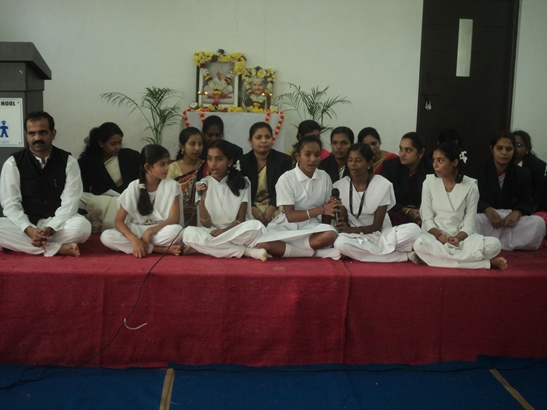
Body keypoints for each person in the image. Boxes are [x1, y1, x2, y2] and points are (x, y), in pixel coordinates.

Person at [0, 111, 91, 256]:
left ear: (53, 134)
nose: (37, 138)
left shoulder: (68, 161)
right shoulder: (13, 163)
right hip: (27, 222)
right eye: (32, 133)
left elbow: (71, 202)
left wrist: (51, 227)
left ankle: (24, 244)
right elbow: (11, 204)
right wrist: (28, 229)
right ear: (26, 135)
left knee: (83, 227)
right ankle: (58, 249)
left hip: (57, 222)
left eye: (42, 132)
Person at [413, 142, 507, 269]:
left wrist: (458, 238)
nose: (435, 165)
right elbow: (427, 219)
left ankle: (436, 259)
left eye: (440, 161)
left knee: (495, 245)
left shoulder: (471, 186)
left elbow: (469, 224)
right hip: (434, 237)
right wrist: (438, 235)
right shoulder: (428, 182)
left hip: (461, 240)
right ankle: (485, 263)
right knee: (419, 244)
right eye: (434, 160)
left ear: (455, 162)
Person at [332, 143, 421, 262]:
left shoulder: (382, 184)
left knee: (414, 230)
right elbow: (344, 222)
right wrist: (343, 225)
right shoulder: (339, 185)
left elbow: (377, 227)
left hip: (382, 234)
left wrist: (351, 230)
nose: (353, 164)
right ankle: (402, 256)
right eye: (350, 160)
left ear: (369, 163)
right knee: (340, 243)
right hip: (354, 237)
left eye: (358, 160)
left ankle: (367, 253)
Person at [256, 135, 341, 259]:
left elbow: (327, 212)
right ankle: (314, 253)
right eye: (307, 154)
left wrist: (325, 227)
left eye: (317, 155)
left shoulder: (324, 177)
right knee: (262, 243)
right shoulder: (286, 178)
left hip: (312, 226)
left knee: (330, 234)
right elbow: (290, 216)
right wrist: (321, 209)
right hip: (286, 226)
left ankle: (291, 249)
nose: (312, 159)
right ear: (297, 156)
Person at [182, 140, 267, 261]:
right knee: (187, 233)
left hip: (235, 231)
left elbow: (240, 219)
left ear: (229, 161)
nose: (213, 164)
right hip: (212, 231)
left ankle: (206, 247)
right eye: (209, 159)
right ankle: (246, 251)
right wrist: (201, 202)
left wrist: (224, 231)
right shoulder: (202, 184)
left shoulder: (243, 183)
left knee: (256, 227)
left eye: (218, 159)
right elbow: (206, 224)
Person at [466, 130, 545, 251]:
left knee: (538, 222)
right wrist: (487, 209)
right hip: (486, 219)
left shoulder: (523, 174)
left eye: (509, 149)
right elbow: (469, 198)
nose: (504, 153)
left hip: (509, 221)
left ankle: (492, 243)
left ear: (514, 151)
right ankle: (499, 242)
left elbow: (526, 201)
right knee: (473, 220)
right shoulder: (476, 171)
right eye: (500, 148)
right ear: (492, 149)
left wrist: (517, 213)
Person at [100, 145, 183, 257]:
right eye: (162, 164)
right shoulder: (134, 186)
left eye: (167, 163)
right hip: (137, 230)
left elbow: (174, 219)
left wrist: (149, 231)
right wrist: (134, 239)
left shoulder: (173, 185)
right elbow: (119, 222)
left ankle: (142, 246)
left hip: (159, 230)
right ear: (148, 167)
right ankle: (157, 249)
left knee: (177, 231)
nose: (167, 168)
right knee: (106, 237)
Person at [78, 122, 140, 231]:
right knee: (81, 197)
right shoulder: (87, 163)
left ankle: (114, 224)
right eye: (113, 144)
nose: (118, 147)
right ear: (101, 143)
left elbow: (142, 183)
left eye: (120, 142)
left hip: (129, 202)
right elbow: (84, 190)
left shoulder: (132, 156)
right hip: (103, 205)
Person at [238, 122, 292, 226]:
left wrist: (272, 207)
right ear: (250, 141)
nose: (264, 141)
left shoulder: (283, 160)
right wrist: (252, 208)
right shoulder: (242, 162)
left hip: (276, 205)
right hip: (250, 205)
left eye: (267, 137)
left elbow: (285, 188)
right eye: (258, 137)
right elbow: (240, 189)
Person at [380, 132, 434, 226]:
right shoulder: (390, 166)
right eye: (401, 149)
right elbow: (383, 196)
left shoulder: (431, 168)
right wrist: (407, 211)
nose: (402, 154)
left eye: (408, 150)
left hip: (423, 214)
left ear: (421, 152)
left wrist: (421, 212)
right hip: (397, 213)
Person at [168, 127, 206, 227]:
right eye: (192, 144)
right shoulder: (172, 168)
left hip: (203, 216)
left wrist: (198, 207)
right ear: (182, 146)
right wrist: (181, 208)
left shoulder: (206, 166)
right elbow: (166, 196)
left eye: (200, 144)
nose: (197, 148)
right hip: (177, 216)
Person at [512, 130, 546, 212]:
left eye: (518, 145)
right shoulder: (502, 162)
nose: (514, 148)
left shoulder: (537, 166)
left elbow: (538, 192)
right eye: (512, 144)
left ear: (527, 149)